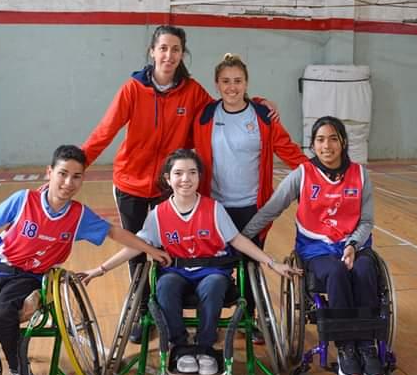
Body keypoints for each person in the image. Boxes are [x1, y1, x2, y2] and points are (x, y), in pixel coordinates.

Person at [80, 26, 277, 344]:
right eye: (163, 48)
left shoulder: (192, 91)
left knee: (162, 250)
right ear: (152, 51)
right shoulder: (132, 89)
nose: (169, 55)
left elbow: (225, 104)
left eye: (175, 49)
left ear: (182, 54)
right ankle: (143, 313)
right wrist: (76, 167)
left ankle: (174, 304)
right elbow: (104, 131)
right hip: (130, 182)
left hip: (167, 186)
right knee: (138, 252)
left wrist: (255, 105)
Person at [0, 145, 170, 375]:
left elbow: (115, 232)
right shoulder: (24, 199)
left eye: (76, 176)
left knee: (4, 309)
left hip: (30, 277)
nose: (68, 182)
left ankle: (20, 374)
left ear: (83, 179)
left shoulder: (79, 215)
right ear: (49, 172)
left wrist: (150, 249)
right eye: (63, 174)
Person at [79, 149, 300, 375]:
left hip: (212, 272)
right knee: (165, 286)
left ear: (199, 177)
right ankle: (181, 346)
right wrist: (100, 269)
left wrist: (272, 263)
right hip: (176, 273)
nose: (185, 179)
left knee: (212, 286)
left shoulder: (214, 209)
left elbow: (238, 241)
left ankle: (206, 346)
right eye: (179, 173)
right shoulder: (158, 214)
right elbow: (136, 246)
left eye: (192, 173)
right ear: (168, 178)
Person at [242, 116, 384, 375]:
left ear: (343, 142)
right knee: (336, 273)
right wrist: (240, 239)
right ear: (312, 144)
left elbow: (366, 221)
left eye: (332, 139)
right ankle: (345, 349)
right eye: (320, 140)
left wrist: (353, 244)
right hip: (316, 249)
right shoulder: (303, 174)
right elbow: (271, 210)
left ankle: (366, 345)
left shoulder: (360, 175)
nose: (326, 145)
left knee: (365, 271)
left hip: (354, 245)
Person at [193, 53, 307, 344]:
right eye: (226, 81)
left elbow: (287, 148)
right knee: (215, 267)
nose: (232, 87)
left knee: (250, 265)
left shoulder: (262, 115)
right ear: (216, 85)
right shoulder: (205, 116)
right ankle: (212, 318)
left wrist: (315, 174)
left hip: (253, 207)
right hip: (216, 206)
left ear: (246, 83)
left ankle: (249, 318)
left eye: (238, 81)